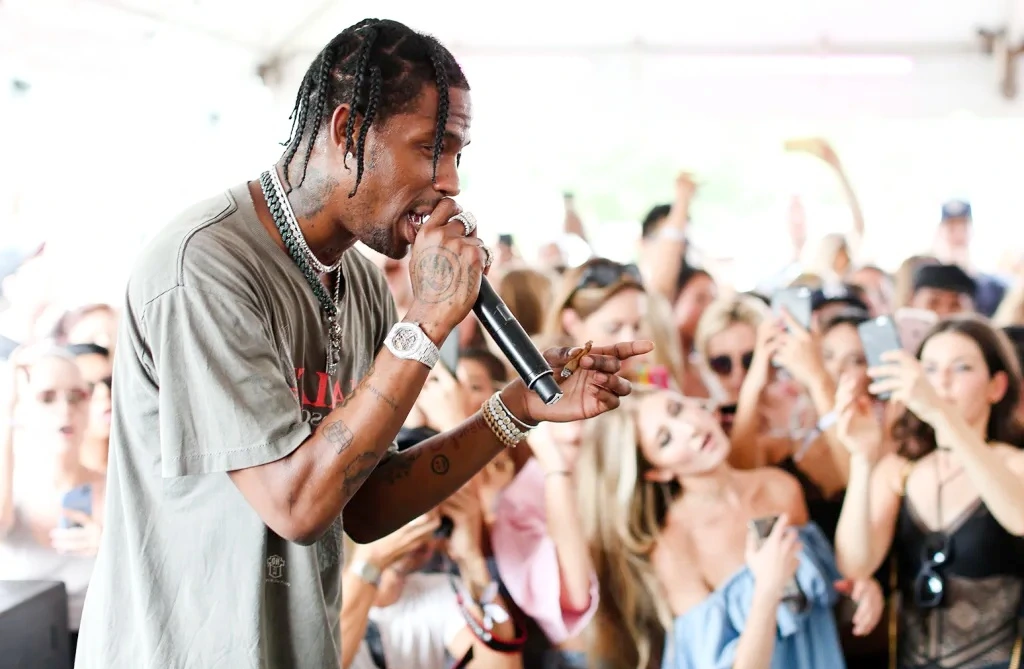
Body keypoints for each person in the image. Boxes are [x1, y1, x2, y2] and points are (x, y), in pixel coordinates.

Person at [74, 18, 649, 669]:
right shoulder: (204, 265)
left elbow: (365, 504)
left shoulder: (360, 283)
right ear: (347, 133)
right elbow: (296, 505)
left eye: (458, 154)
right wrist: (426, 319)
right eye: (433, 149)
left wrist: (514, 409)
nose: (452, 181)